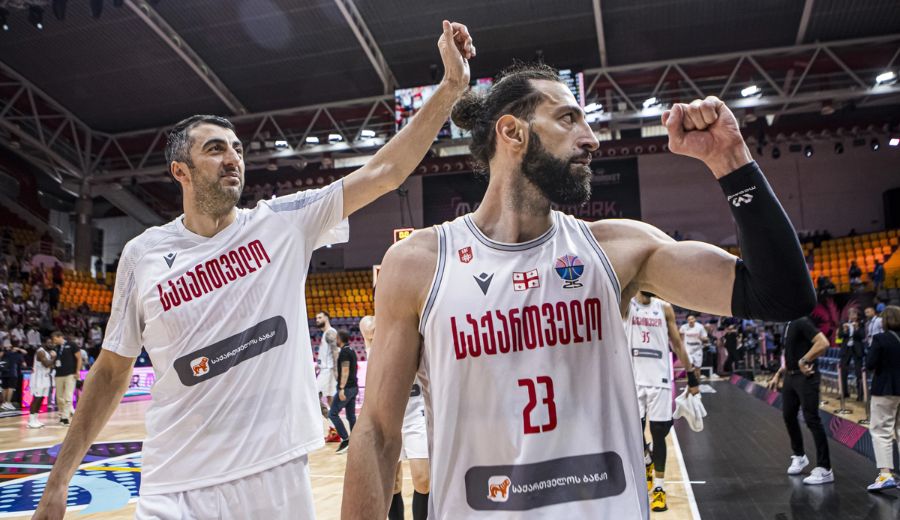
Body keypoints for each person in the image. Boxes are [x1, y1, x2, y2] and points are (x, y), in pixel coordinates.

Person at [34, 21, 475, 520]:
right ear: (180, 171)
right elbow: (112, 371)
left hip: (273, 476)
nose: (232, 159)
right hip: (174, 480)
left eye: (237, 149)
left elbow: (385, 172)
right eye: (214, 149)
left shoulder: (283, 222)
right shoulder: (143, 254)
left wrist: (451, 89)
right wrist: (58, 481)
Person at [343, 63, 815, 518]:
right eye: (568, 118)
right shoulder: (421, 264)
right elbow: (379, 433)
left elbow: (781, 295)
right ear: (513, 133)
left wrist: (732, 161)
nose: (590, 139)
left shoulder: (619, 250)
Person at [626, 292, 699, 512]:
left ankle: (658, 489)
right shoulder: (626, 304)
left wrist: (691, 375)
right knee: (634, 433)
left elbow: (677, 343)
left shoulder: (664, 308)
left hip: (660, 379)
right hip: (633, 379)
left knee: (659, 433)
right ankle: (646, 460)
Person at [361, 315, 431, 520]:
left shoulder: (415, 323)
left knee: (423, 479)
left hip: (415, 411)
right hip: (387, 416)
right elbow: (367, 326)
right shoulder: (372, 324)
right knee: (393, 483)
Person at [767, 316, 832, 485]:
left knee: (812, 419)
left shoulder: (801, 321)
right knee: (788, 416)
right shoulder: (787, 324)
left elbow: (823, 343)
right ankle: (800, 456)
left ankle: (825, 469)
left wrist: (805, 360)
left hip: (806, 377)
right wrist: (778, 374)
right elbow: (791, 355)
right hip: (790, 376)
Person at [865, 305, 900, 491]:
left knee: (881, 431)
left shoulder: (880, 339)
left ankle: (885, 474)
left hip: (885, 389)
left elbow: (870, 363)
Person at [329, 329, 359, 454]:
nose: (336, 340)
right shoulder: (351, 350)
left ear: (340, 339)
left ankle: (346, 439)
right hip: (354, 387)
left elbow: (345, 371)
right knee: (350, 416)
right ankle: (356, 441)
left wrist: (341, 388)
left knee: (333, 414)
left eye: (336, 338)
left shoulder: (344, 353)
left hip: (346, 388)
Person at [51, 331, 81, 426]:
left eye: (55, 339)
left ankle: (65, 418)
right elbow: (55, 361)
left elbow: (79, 358)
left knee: (68, 397)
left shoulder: (72, 345)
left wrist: (77, 371)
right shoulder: (56, 348)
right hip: (58, 374)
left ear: (60, 337)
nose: (54, 341)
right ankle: (63, 414)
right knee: (59, 398)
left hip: (70, 374)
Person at [27, 339, 56, 429]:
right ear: (44, 343)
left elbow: (52, 365)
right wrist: (53, 358)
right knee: (36, 399)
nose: (51, 344)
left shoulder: (48, 352)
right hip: (38, 379)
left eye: (52, 343)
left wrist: (51, 361)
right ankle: (31, 421)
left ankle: (35, 419)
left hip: (45, 377)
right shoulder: (40, 352)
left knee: (41, 399)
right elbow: (47, 364)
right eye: (49, 342)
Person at [838, 308, 865, 400]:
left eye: (854, 314)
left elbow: (862, 336)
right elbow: (840, 336)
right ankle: (844, 393)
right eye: (850, 314)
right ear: (848, 315)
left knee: (859, 373)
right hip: (846, 349)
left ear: (857, 315)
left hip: (857, 349)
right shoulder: (843, 323)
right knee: (843, 372)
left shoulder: (861, 323)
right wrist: (845, 330)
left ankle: (860, 395)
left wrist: (856, 328)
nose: (852, 316)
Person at [315, 311, 339, 410]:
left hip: (328, 370)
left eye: (320, 317)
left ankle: (328, 415)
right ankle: (334, 421)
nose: (317, 320)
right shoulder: (326, 333)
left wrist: (336, 371)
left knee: (314, 395)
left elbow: (335, 352)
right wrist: (318, 365)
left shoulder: (330, 332)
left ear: (326, 318)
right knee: (330, 398)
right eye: (316, 318)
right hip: (325, 369)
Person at [679, 313, 708, 382]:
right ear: (687, 320)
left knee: (697, 368)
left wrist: (702, 338)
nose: (690, 320)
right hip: (688, 348)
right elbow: (680, 335)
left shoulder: (700, 327)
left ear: (695, 319)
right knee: (688, 367)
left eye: (692, 319)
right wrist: (681, 344)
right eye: (689, 319)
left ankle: (697, 383)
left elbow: (705, 338)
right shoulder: (684, 327)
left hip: (698, 348)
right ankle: (689, 384)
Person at [0, 340, 27, 411]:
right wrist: (19, 350)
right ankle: (8, 403)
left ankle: (4, 403)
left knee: (4, 388)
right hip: (12, 373)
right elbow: (24, 364)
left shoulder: (4, 353)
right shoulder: (18, 354)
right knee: (10, 388)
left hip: (3, 373)